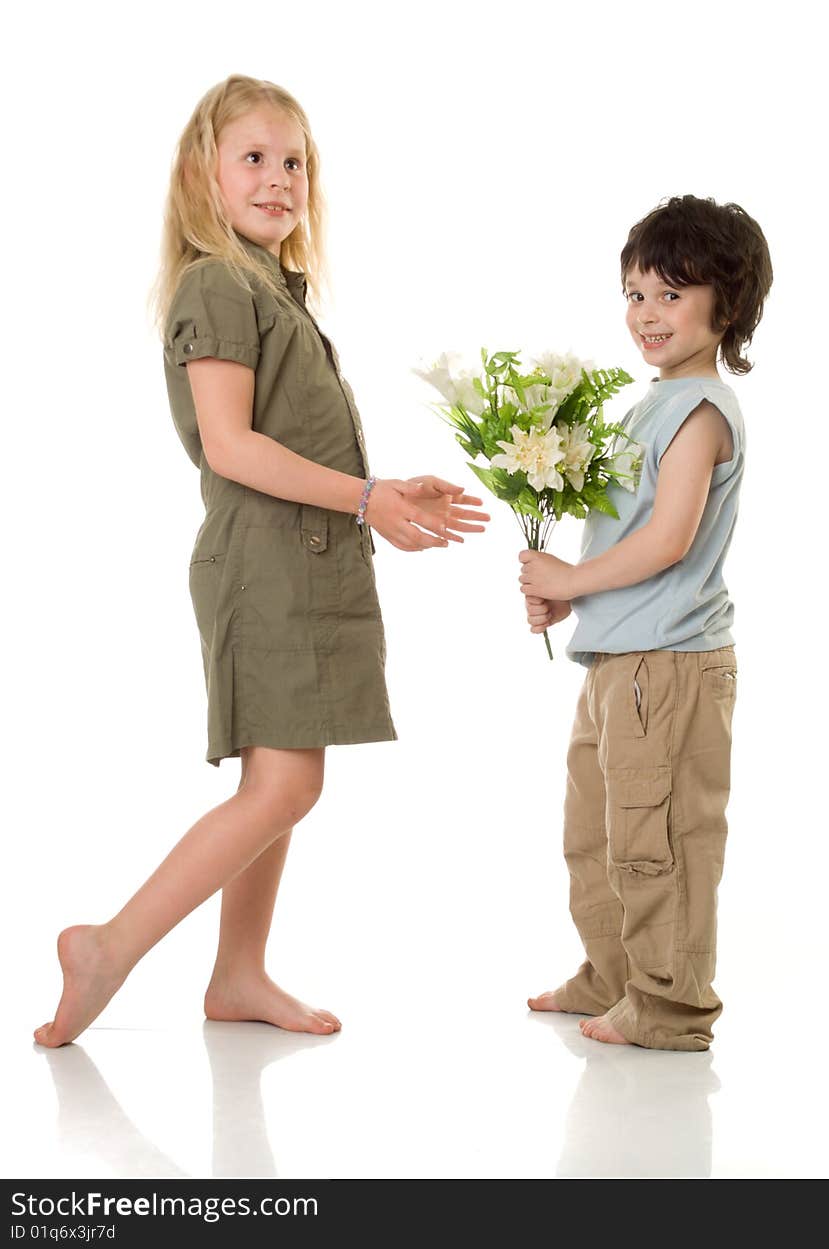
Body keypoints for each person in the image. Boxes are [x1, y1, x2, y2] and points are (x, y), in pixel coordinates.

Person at [34, 74, 488, 1049]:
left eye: (294, 162)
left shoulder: (273, 287)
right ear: (206, 172)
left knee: (283, 782)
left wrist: (387, 488)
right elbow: (230, 444)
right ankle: (107, 946)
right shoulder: (215, 281)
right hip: (265, 561)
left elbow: (291, 437)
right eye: (255, 157)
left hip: (307, 556)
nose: (279, 177)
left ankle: (237, 973)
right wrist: (370, 498)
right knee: (283, 787)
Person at [519, 195, 772, 1050]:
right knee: (593, 832)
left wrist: (575, 575)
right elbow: (629, 536)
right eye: (634, 293)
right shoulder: (650, 404)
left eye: (671, 293)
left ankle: (670, 1003)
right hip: (617, 663)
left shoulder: (701, 412)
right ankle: (613, 972)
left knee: (658, 839)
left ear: (724, 307)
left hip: (667, 668)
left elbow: (667, 541)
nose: (647, 314)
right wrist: (572, 596)